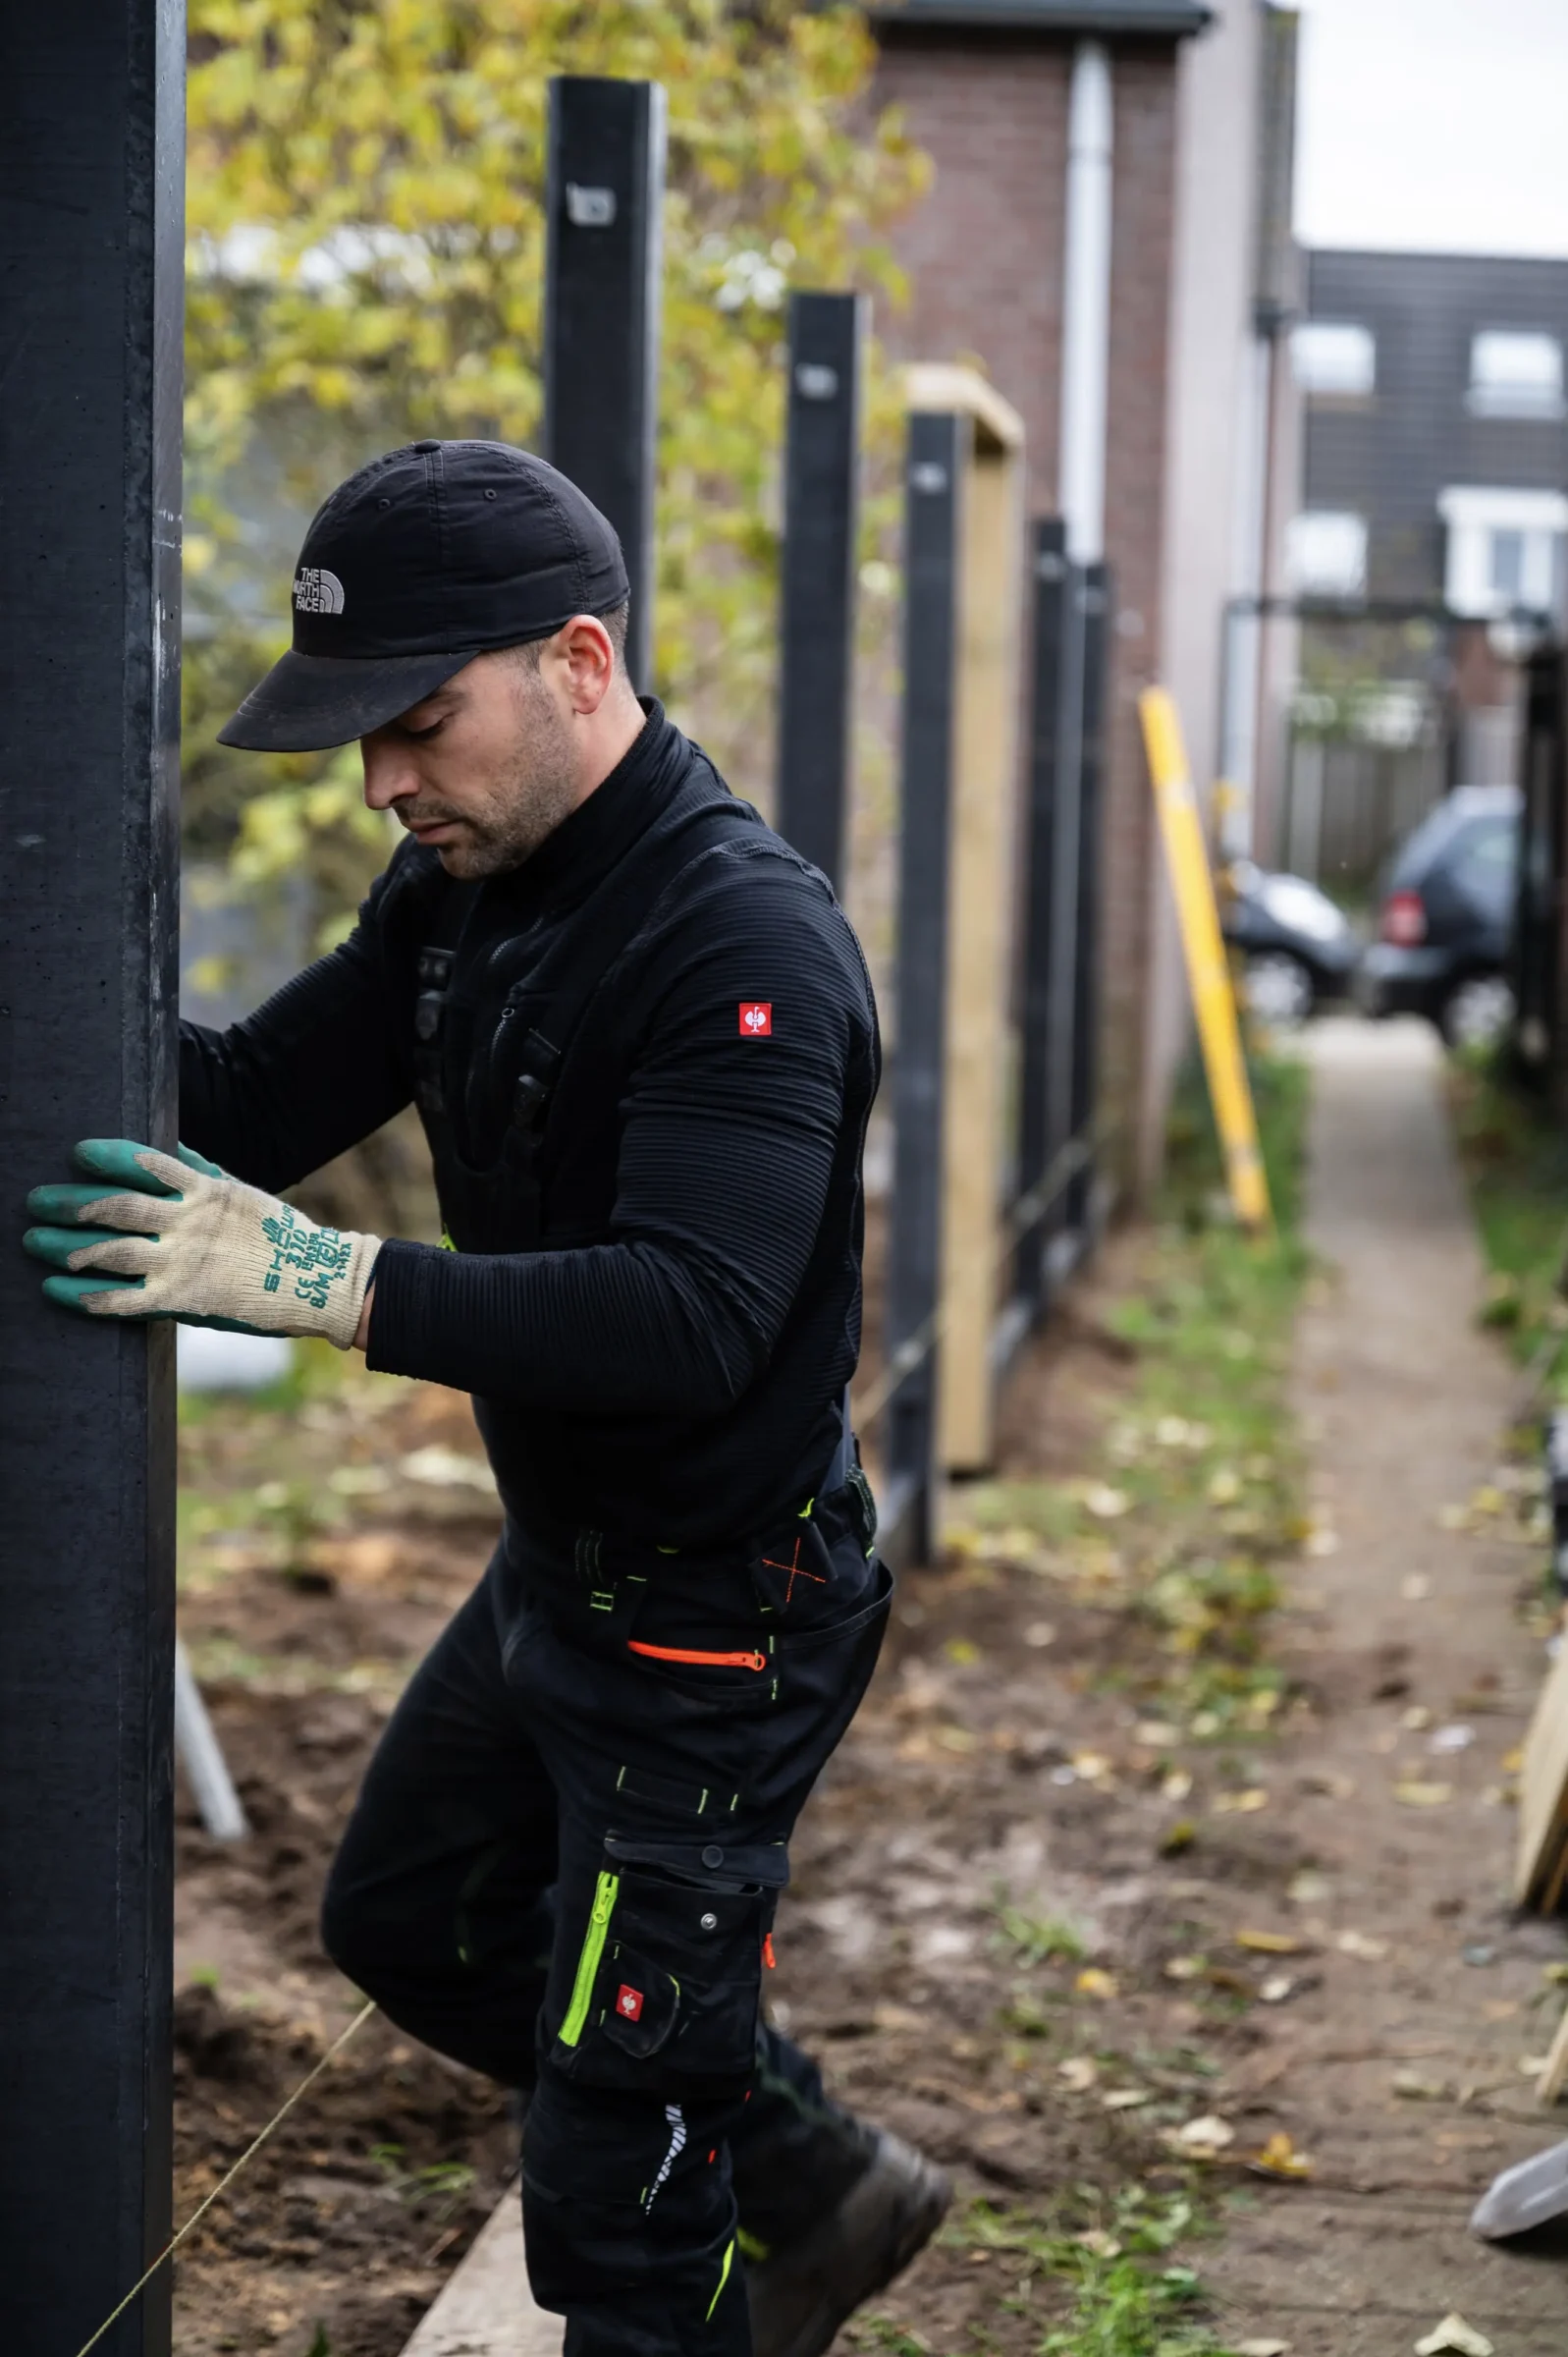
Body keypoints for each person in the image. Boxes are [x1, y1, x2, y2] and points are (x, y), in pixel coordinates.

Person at [23, 439, 948, 2357]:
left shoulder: (743, 946)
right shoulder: (465, 888)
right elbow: (262, 1103)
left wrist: (329, 1287)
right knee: (413, 1925)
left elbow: (692, 1316)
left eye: (421, 724)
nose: (384, 782)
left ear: (584, 663)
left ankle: (713, 2188)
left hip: (718, 1624)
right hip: (565, 1564)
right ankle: (815, 2177)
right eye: (367, 739)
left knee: (613, 2190)